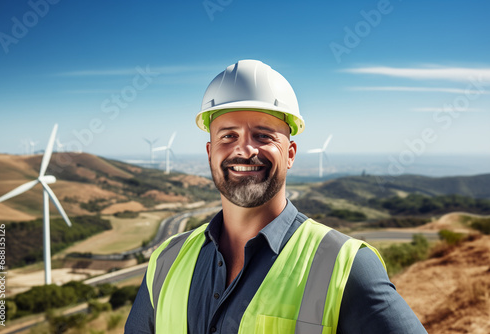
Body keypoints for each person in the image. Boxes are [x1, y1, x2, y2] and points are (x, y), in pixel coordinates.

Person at [125, 59, 427, 333]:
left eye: (264, 135)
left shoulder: (346, 266)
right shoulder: (166, 261)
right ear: (209, 152)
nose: (245, 149)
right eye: (228, 136)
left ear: (291, 153)